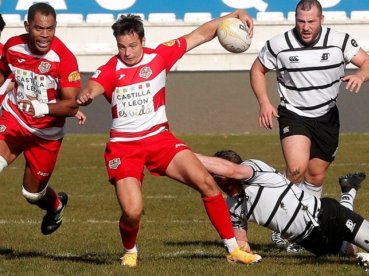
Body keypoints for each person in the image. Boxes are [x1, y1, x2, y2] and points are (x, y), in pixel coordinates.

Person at [76, 11, 262, 267]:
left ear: (143, 40)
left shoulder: (160, 56)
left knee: (207, 182)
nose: (127, 52)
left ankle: (233, 249)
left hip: (160, 140)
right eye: (121, 47)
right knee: (132, 211)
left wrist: (234, 15)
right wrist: (88, 94)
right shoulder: (110, 69)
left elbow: (200, 34)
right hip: (124, 147)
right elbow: (94, 85)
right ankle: (130, 250)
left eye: (132, 46)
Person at [249, 0, 369, 251]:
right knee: (296, 170)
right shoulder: (279, 44)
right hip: (293, 114)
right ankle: (282, 228)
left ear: (322, 20)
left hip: (327, 116)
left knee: (315, 177)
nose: (305, 27)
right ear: (295, 19)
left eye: (311, 21)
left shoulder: (340, 40)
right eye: (300, 21)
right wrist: (264, 102)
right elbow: (257, 69)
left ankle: (306, 228)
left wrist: (361, 75)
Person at [196, 150, 369, 274]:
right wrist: (243, 256)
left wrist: (183, 153)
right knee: (353, 258)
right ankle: (348, 189)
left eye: (216, 175)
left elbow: (231, 169)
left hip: (329, 216)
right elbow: (242, 243)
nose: (214, 181)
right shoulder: (232, 207)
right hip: (311, 242)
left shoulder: (254, 170)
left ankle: (348, 194)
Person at [0, 3, 82, 235]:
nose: (45, 35)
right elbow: (5, 72)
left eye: (50, 29)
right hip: (15, 119)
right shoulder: (13, 46)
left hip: (46, 134)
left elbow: (71, 104)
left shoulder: (64, 58)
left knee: (32, 194)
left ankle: (56, 205)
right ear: (27, 26)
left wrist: (41, 107)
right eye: (38, 29)